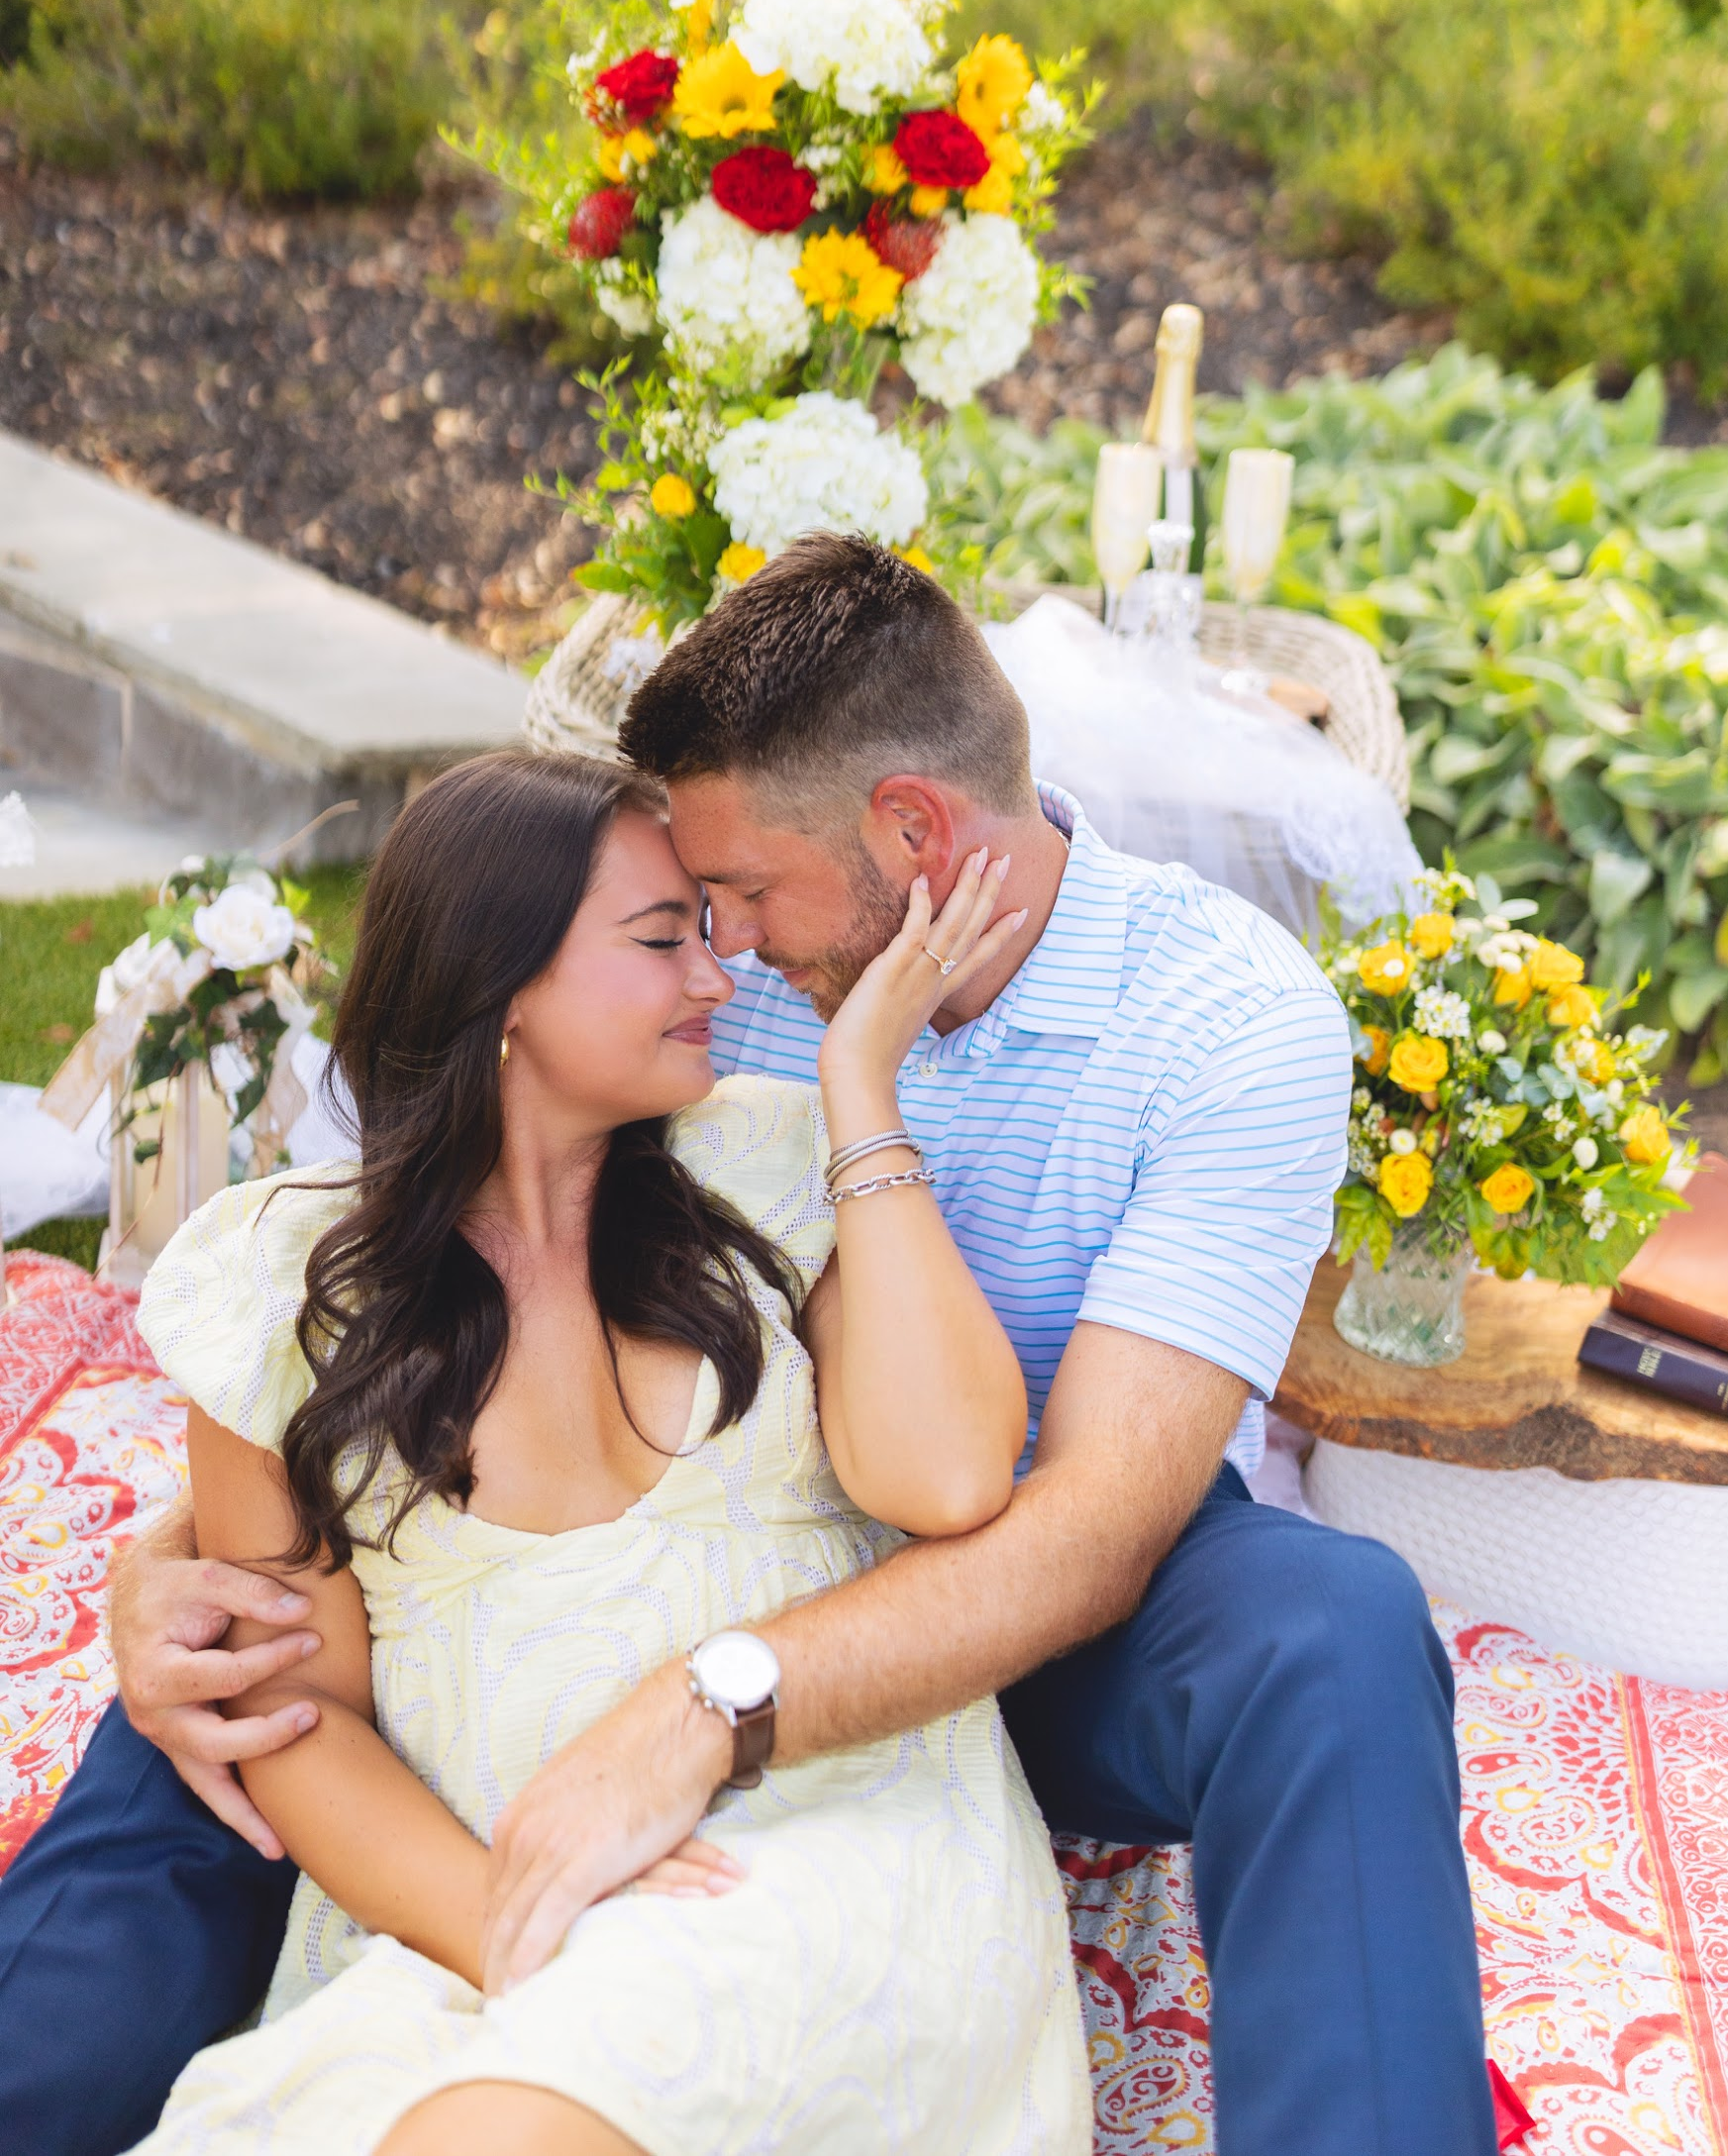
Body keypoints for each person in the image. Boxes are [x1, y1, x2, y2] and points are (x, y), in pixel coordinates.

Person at [0, 539, 1494, 2156]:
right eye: (686, 916)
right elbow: (386, 1251)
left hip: (1033, 1559)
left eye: (742, 903)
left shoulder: (1224, 1016)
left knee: (1330, 1625)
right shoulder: (715, 975)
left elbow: (1091, 1526)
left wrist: (711, 1702)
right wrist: (182, 1547)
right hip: (593, 1554)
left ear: (913, 832)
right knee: (237, 1682)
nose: (723, 948)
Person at [118, 748, 1092, 2153]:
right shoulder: (273, 1287)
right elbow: (296, 1717)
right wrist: (511, 1931)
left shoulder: (770, 1165)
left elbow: (947, 1478)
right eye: (660, 941)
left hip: (824, 1861)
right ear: (496, 987)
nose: (717, 979)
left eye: (707, 929)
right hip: (481, 1930)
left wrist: (862, 1093)